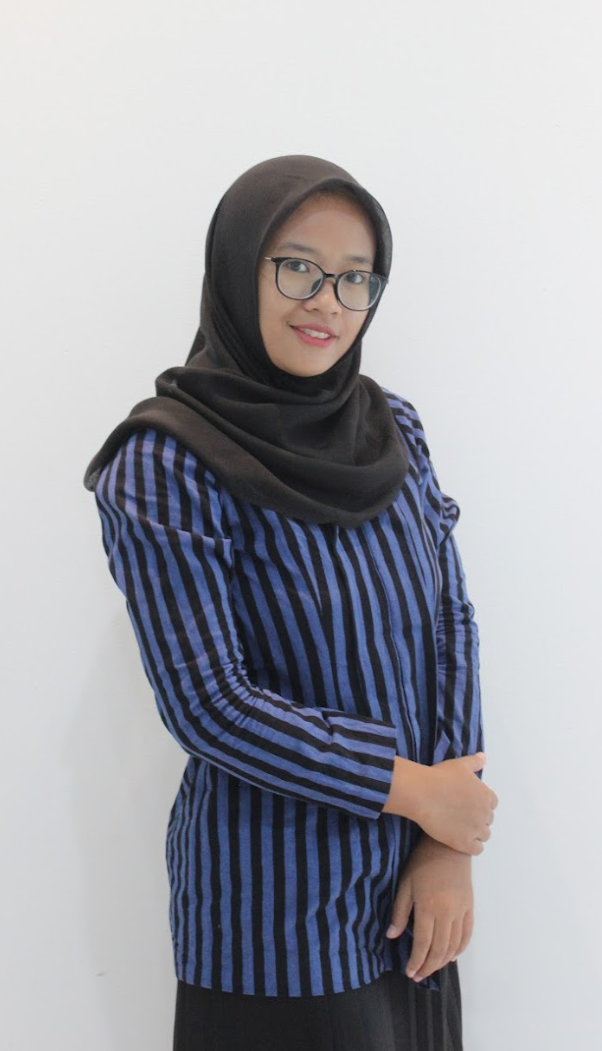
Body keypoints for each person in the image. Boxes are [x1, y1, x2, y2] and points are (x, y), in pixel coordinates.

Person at [84, 155, 497, 1051]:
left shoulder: (393, 428)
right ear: (239, 268)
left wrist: (447, 840)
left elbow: (449, 623)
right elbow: (210, 704)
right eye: (298, 267)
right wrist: (419, 795)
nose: (327, 302)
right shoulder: (164, 463)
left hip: (412, 893)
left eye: (355, 278)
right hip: (274, 911)